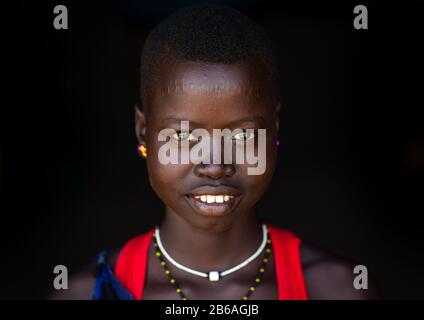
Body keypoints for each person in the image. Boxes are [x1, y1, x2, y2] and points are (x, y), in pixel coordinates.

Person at [50, 3, 379, 300]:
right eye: (183, 135)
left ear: (274, 131)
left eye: (243, 134)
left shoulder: (337, 289)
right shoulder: (84, 294)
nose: (215, 165)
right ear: (143, 133)